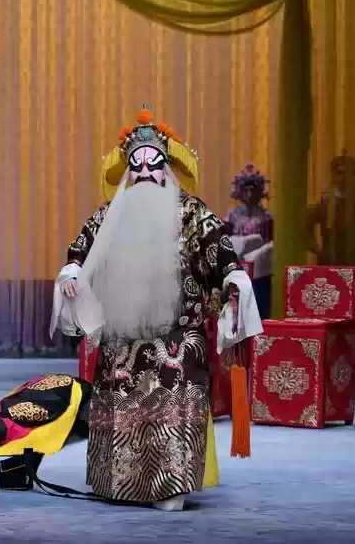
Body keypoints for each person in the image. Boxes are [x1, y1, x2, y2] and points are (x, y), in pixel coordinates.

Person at [49, 106, 262, 511]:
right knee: (122, 405)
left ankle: (172, 485)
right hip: (122, 337)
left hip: (177, 336)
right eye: (137, 165)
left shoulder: (190, 212)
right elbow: (80, 251)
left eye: (154, 163)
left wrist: (233, 278)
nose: (146, 172)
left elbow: (219, 251)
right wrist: (72, 272)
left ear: (167, 169)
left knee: (171, 406)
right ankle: (119, 482)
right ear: (128, 172)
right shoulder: (110, 214)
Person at [223, 163, 273, 318]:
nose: (250, 194)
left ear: (260, 192)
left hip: (259, 271)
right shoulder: (231, 216)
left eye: (253, 190)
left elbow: (270, 243)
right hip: (236, 267)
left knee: (258, 309)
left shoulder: (266, 217)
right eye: (246, 190)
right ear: (240, 191)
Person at [306, 150, 355, 266]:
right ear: (333, 174)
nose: (343, 177)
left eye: (348, 173)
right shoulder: (325, 203)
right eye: (340, 172)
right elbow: (304, 225)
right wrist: (316, 248)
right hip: (329, 263)